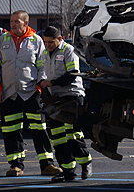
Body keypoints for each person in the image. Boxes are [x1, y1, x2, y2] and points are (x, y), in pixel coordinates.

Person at [0, 11, 62, 177]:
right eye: (11, 21)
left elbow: (42, 66)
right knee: (11, 130)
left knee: (40, 129)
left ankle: (47, 165)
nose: (13, 24)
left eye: (17, 21)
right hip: (9, 93)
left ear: (26, 23)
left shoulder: (36, 40)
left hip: (31, 92)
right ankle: (15, 166)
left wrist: (41, 86)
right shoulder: (3, 40)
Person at [39, 26, 93, 182]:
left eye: (51, 42)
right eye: (46, 42)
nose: (48, 45)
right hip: (55, 99)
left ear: (60, 39)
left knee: (72, 134)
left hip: (72, 97)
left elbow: (72, 74)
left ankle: (86, 163)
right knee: (57, 137)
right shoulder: (44, 53)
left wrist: (51, 82)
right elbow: (42, 72)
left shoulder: (69, 51)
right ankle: (68, 171)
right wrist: (41, 81)